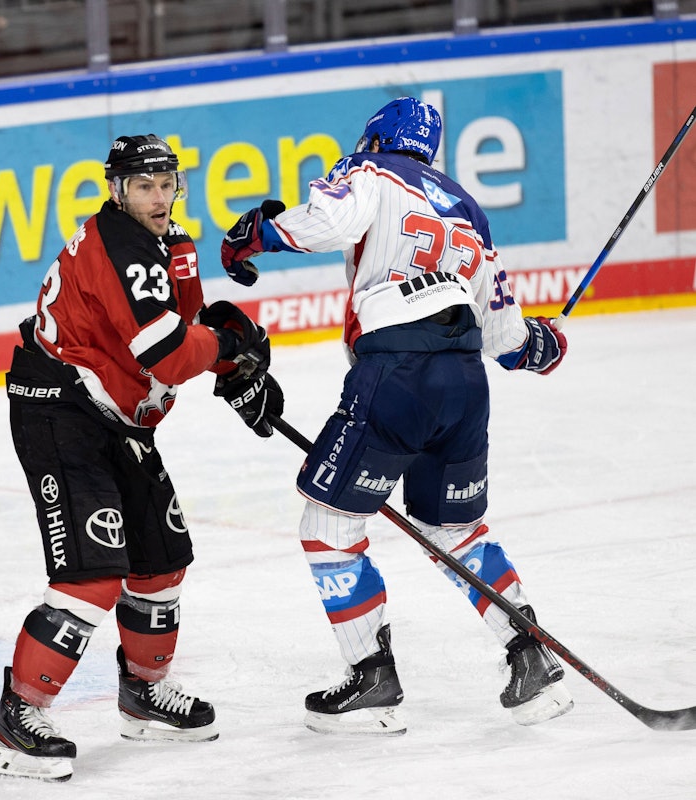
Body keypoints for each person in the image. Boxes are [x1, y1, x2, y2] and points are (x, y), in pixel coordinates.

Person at [217, 97, 573, 735]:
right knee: (455, 531)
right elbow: (507, 337)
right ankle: (529, 654)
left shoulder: (369, 169)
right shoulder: (467, 207)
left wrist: (255, 235)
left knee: (328, 528)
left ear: (377, 136)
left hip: (396, 377)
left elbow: (323, 223)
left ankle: (371, 676)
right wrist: (540, 344)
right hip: (466, 381)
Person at [0, 133, 280, 781]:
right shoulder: (120, 245)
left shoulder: (171, 244)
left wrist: (231, 356)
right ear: (117, 190)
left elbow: (186, 327)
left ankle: (143, 697)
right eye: (143, 185)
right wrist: (227, 347)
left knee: (159, 563)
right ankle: (17, 720)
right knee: (90, 577)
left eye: (166, 183)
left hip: (116, 417)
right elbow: (171, 355)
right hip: (60, 411)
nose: (158, 196)